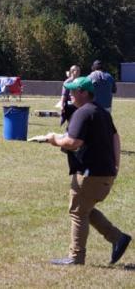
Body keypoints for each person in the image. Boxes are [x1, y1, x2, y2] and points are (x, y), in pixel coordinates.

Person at [44, 76, 131, 266]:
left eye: (73, 91)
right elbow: (116, 138)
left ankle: (76, 257)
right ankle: (118, 238)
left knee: (77, 212)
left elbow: (73, 142)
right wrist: (116, 166)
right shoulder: (101, 111)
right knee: (84, 209)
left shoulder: (83, 113)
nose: (70, 95)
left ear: (83, 93)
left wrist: (53, 139)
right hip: (105, 174)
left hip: (90, 175)